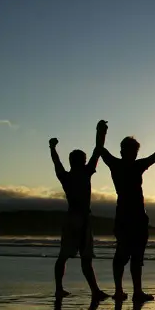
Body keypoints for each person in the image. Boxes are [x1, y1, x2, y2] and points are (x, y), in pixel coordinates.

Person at [101, 128, 155, 302]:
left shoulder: (129, 165)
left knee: (134, 255)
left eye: (135, 152)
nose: (134, 154)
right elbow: (101, 149)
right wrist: (102, 132)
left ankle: (134, 291)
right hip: (127, 216)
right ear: (123, 151)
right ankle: (121, 290)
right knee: (123, 254)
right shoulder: (120, 164)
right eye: (132, 151)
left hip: (135, 217)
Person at [49, 120, 109, 300]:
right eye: (83, 160)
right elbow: (98, 150)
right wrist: (101, 131)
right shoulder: (85, 172)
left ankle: (60, 288)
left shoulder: (65, 176)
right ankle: (94, 291)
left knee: (64, 255)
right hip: (81, 218)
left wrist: (52, 147)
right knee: (85, 258)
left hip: (72, 218)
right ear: (81, 162)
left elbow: (56, 161)